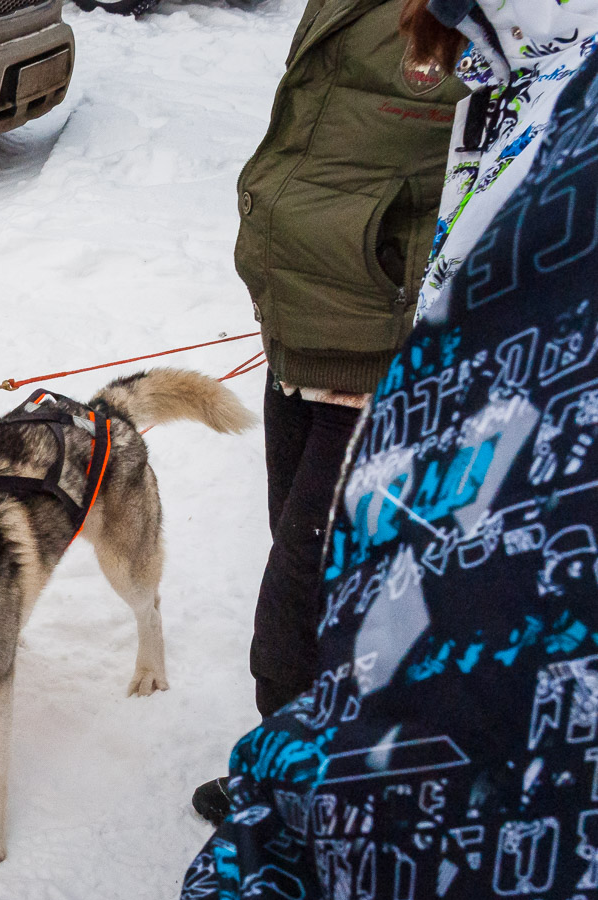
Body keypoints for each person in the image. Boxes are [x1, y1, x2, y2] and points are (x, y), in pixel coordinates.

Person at [143, 0, 598, 900]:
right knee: (312, 589)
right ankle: (304, 777)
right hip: (328, 336)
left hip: (405, 367)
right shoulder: (503, 42)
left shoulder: (566, 63)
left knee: (303, 622)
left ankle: (312, 782)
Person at [191, 0, 466, 825]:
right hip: (308, 319)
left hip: (383, 336)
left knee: (305, 592)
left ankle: (304, 796)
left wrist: (414, 297)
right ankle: (331, 763)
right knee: (299, 546)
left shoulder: (511, 16)